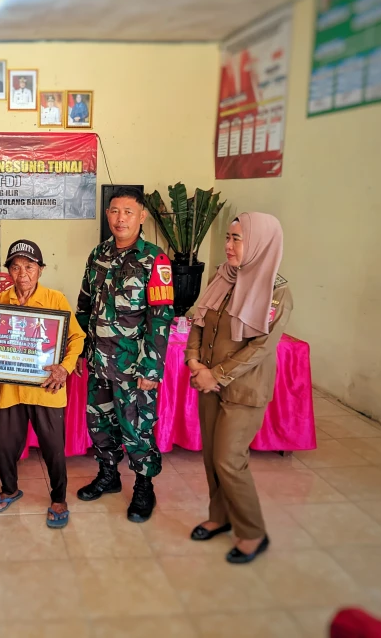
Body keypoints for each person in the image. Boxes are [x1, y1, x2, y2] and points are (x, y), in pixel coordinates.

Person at [185, 212, 292, 564]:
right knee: (212, 456)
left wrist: (216, 374)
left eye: (237, 239)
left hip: (244, 389)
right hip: (208, 382)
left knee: (229, 459)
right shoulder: (223, 277)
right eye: (228, 238)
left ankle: (252, 531)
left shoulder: (276, 291)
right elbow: (200, 320)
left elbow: (260, 347)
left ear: (259, 243)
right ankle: (220, 517)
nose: (228, 246)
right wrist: (193, 360)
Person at [75, 186, 174, 523]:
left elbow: (161, 318)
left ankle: (144, 487)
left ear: (141, 216)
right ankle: (109, 475)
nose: (120, 218)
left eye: (128, 212)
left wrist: (151, 368)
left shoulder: (154, 260)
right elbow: (84, 307)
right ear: (108, 215)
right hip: (99, 362)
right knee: (99, 423)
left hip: (134, 366)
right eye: (115, 211)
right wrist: (81, 351)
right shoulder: (98, 254)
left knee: (137, 428)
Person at [0, 240, 85, 528]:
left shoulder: (55, 299)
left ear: (41, 270)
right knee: (4, 445)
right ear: (8, 272)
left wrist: (64, 368)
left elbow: (77, 337)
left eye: (29, 267)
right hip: (11, 389)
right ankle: (9, 490)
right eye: (15, 267)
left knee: (53, 448)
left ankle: (59, 498)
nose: (22, 274)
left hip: (46, 389)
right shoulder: (1, 300)